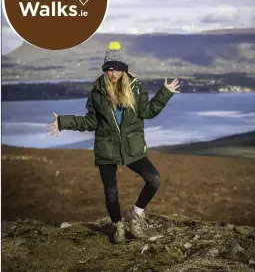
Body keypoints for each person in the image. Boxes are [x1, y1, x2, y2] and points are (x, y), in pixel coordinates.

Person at [46, 41, 180, 244]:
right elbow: (91, 121)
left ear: (124, 71)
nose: (113, 73)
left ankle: (135, 215)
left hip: (131, 147)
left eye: (118, 68)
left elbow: (148, 111)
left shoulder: (135, 88)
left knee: (154, 180)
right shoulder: (97, 92)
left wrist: (165, 93)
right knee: (111, 193)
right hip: (106, 148)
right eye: (109, 68)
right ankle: (118, 226)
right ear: (105, 70)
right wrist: (63, 122)